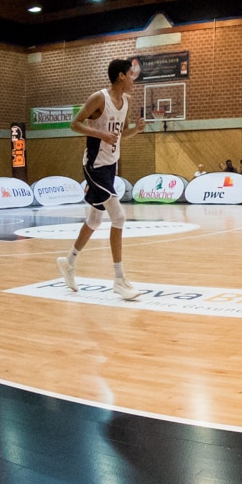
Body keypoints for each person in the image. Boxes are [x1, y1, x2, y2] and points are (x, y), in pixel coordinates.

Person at [56, 57, 144, 302]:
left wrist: (135, 130)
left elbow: (119, 133)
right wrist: (99, 133)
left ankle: (69, 262)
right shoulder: (99, 98)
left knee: (95, 220)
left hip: (111, 166)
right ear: (120, 76)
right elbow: (74, 124)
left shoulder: (126, 101)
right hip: (94, 166)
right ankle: (119, 280)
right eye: (130, 74)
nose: (133, 79)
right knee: (119, 216)